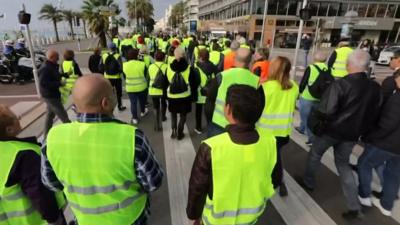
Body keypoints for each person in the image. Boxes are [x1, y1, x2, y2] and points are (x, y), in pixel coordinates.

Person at [42, 75, 164, 225]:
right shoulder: (132, 137)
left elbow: (51, 183)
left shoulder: (53, 137)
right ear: (105, 103)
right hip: (130, 218)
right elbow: (153, 182)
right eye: (112, 93)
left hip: (84, 219)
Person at [298, 50, 382, 219]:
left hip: (331, 131)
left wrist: (315, 125)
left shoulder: (340, 84)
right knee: (343, 166)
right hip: (352, 135)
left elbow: (326, 110)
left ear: (348, 65)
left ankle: (308, 181)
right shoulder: (374, 87)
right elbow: (375, 112)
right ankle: (354, 206)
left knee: (315, 154)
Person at [187, 85, 276, 225]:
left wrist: (193, 214)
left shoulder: (211, 147)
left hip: (215, 220)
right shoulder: (270, 141)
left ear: (228, 109)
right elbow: (274, 178)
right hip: (251, 218)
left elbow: (197, 188)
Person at [0, 105, 66, 225]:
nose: (19, 119)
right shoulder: (22, 155)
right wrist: (55, 218)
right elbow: (40, 193)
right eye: (16, 118)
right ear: (9, 129)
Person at [357, 71, 400, 217]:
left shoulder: (397, 98)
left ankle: (364, 196)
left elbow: (387, 124)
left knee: (364, 163)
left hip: (386, 143)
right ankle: (386, 206)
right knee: (394, 174)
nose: (396, 80)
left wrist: (370, 137)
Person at [257, 56, 299, 197]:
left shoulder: (265, 88)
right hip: (283, 132)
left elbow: (256, 110)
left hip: (265, 132)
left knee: (268, 159)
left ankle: (275, 182)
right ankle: (279, 181)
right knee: (276, 156)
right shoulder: (294, 87)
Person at [206, 48, 259, 138]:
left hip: (219, 124)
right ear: (250, 61)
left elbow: (210, 100)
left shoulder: (222, 76)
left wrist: (210, 120)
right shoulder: (256, 80)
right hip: (244, 128)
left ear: (234, 58)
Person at [166, 47, 198, 140]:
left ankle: (173, 131)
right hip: (185, 96)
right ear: (184, 55)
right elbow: (193, 84)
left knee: (173, 114)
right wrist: (194, 97)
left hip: (171, 96)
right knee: (183, 115)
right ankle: (180, 132)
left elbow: (166, 82)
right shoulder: (189, 68)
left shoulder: (169, 68)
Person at [296, 51, 328, 145]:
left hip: (308, 96)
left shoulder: (311, 67)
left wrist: (300, 92)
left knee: (306, 117)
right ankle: (301, 128)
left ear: (315, 59)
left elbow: (304, 81)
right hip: (320, 97)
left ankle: (312, 139)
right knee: (314, 117)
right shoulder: (328, 69)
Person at [39, 49, 71, 138]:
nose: (58, 59)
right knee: (63, 116)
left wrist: (64, 75)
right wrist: (59, 83)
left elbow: (54, 76)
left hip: (52, 94)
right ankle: (72, 132)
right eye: (57, 57)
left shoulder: (51, 66)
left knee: (50, 116)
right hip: (50, 96)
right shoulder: (45, 68)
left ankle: (46, 136)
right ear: (51, 57)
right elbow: (44, 83)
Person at [194, 49, 219, 134]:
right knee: (210, 113)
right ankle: (210, 128)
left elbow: (195, 82)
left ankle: (198, 128)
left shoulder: (196, 67)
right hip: (211, 93)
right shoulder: (213, 66)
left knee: (198, 112)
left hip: (200, 93)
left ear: (200, 57)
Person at [123, 49, 149, 125]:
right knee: (142, 101)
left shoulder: (124, 65)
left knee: (133, 103)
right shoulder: (142, 64)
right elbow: (145, 75)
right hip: (142, 86)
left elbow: (124, 77)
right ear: (137, 55)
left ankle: (135, 118)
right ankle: (142, 112)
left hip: (130, 87)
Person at [100, 42, 126, 111]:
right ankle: (120, 106)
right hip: (117, 77)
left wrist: (105, 71)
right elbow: (121, 68)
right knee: (118, 92)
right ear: (115, 48)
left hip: (107, 77)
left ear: (108, 48)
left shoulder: (104, 55)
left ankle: (108, 107)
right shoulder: (118, 56)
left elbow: (100, 66)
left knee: (108, 93)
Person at [148, 51, 168, 131]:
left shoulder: (151, 66)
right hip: (163, 89)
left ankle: (157, 124)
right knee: (163, 103)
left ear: (155, 58)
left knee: (156, 107)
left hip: (153, 90)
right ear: (163, 58)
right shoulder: (166, 66)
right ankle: (163, 116)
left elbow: (148, 78)